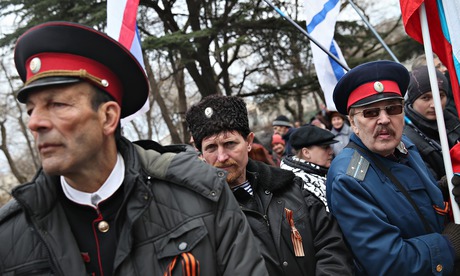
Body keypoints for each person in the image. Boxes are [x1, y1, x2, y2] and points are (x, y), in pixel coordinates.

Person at [0, 22, 268, 275]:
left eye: (57, 105)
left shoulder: (202, 194)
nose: (35, 122)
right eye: (31, 110)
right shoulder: (10, 235)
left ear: (108, 117)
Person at [185, 95, 353, 275]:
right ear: (200, 152)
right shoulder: (197, 217)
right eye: (211, 147)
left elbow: (331, 246)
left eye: (230, 144)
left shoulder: (291, 187)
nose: (222, 157)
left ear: (249, 142)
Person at [326, 60, 460, 275]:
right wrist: (450, 245)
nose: (384, 120)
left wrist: (445, 188)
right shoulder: (348, 178)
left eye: (393, 108)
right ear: (352, 121)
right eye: (370, 113)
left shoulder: (404, 145)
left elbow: (409, 200)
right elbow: (388, 263)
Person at [404, 66, 460, 181]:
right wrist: (447, 184)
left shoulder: (454, 120)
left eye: (440, 96)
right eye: (426, 98)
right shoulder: (406, 138)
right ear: (412, 100)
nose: (435, 104)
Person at [280, 125, 338, 211]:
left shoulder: (317, 173)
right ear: (306, 152)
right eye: (325, 147)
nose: (331, 152)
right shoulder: (301, 185)